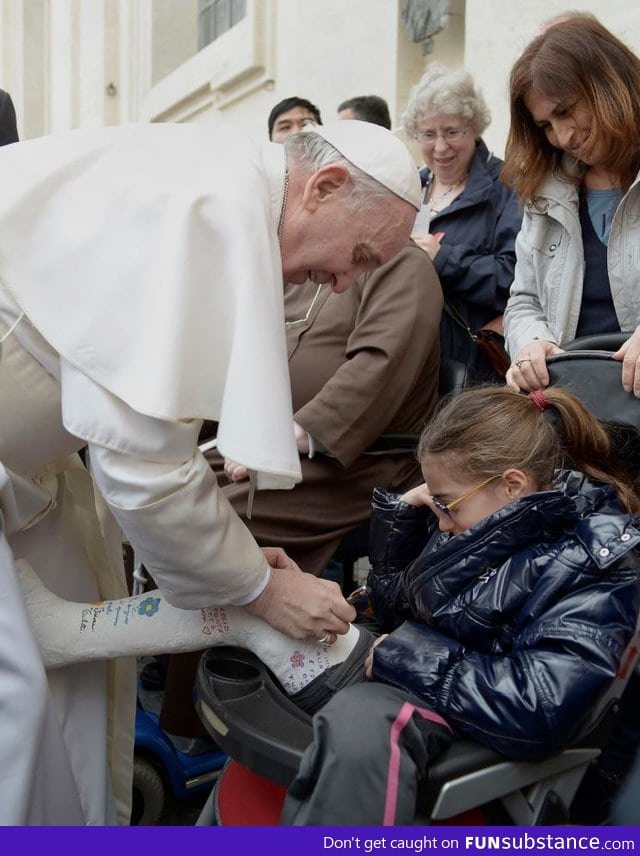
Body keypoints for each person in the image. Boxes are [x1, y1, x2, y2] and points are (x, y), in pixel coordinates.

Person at [0, 118, 420, 825]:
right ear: (325, 185)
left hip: (32, 468)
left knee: (70, 667)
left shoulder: (219, 181)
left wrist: (240, 571)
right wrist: (257, 590)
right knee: (17, 705)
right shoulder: (202, 211)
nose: (345, 280)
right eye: (358, 254)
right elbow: (146, 468)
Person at [19, 384, 640, 825]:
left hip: (438, 702)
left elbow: (537, 705)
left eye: (448, 502)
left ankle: (72, 633)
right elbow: (409, 607)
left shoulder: (597, 567)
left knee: (246, 609)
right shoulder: (487, 523)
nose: (442, 515)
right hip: (414, 670)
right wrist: (405, 527)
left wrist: (397, 655)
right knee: (246, 597)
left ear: (512, 485)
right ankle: (71, 633)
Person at [502, 14, 640, 397]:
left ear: (609, 83)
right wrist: (531, 344)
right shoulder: (544, 191)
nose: (562, 137)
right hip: (577, 405)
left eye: (565, 111)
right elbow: (525, 300)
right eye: (545, 125)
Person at [402, 63, 522, 380]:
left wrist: (442, 258)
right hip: (411, 361)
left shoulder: (507, 185)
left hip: (473, 367)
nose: (440, 147)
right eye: (428, 134)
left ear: (475, 127)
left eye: (452, 132)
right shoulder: (410, 188)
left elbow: (515, 278)